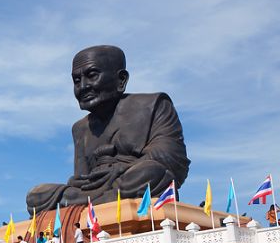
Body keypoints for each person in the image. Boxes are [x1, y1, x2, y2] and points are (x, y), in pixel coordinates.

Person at [27, 45, 189, 213]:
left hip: (130, 181)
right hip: (97, 190)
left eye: (92, 76)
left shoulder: (153, 105)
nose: (83, 86)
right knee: (37, 196)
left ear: (121, 80)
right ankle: (99, 204)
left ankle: (92, 205)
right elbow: (82, 179)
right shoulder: (80, 129)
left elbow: (171, 158)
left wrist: (119, 169)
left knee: (150, 172)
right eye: (76, 80)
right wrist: (80, 183)